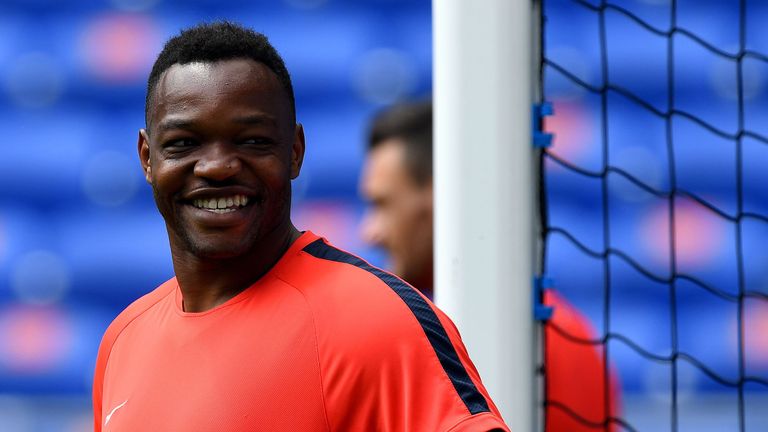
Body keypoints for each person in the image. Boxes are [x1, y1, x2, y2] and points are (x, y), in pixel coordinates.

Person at [91, 22, 510, 432]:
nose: (217, 166)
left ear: (295, 152)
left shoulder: (377, 322)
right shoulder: (122, 342)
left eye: (252, 140)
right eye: (184, 143)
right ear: (147, 158)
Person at [360, 101, 620, 432]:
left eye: (382, 204)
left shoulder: (526, 336)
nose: (369, 232)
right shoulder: (562, 327)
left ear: (444, 195)